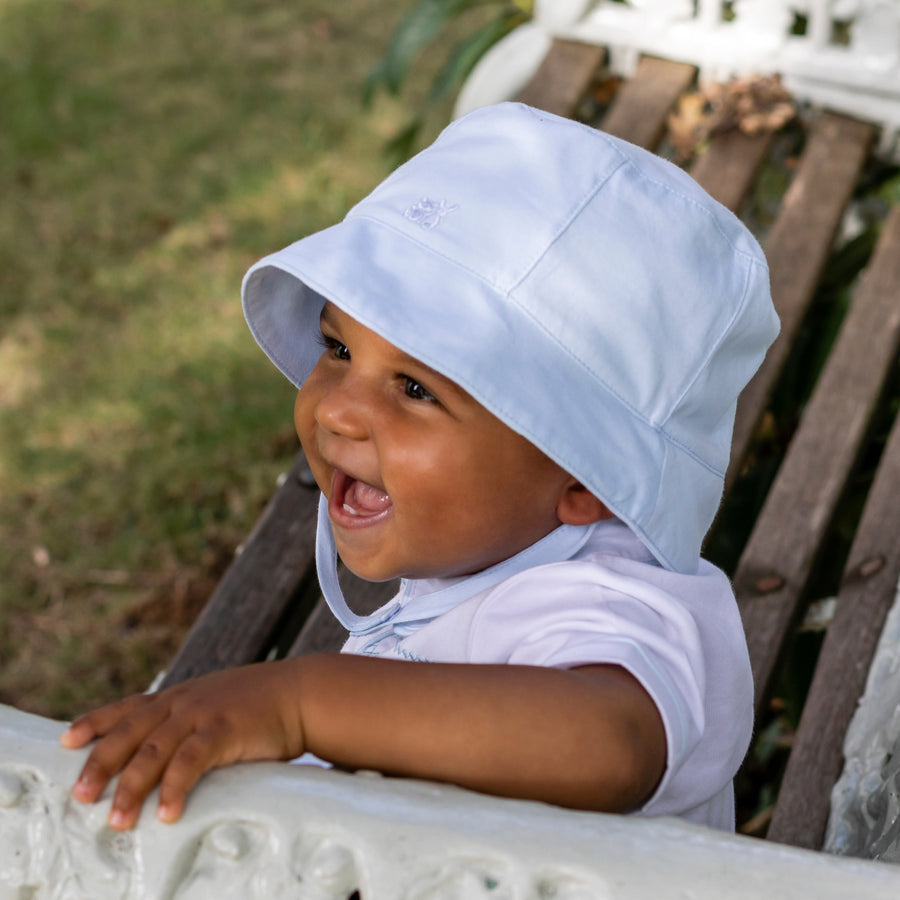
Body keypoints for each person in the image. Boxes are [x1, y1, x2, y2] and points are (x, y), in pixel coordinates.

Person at [62, 102, 779, 833]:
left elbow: (612, 746)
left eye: (415, 389)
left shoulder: (607, 604)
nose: (338, 411)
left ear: (585, 481)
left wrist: (304, 704)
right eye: (338, 348)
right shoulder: (494, 540)